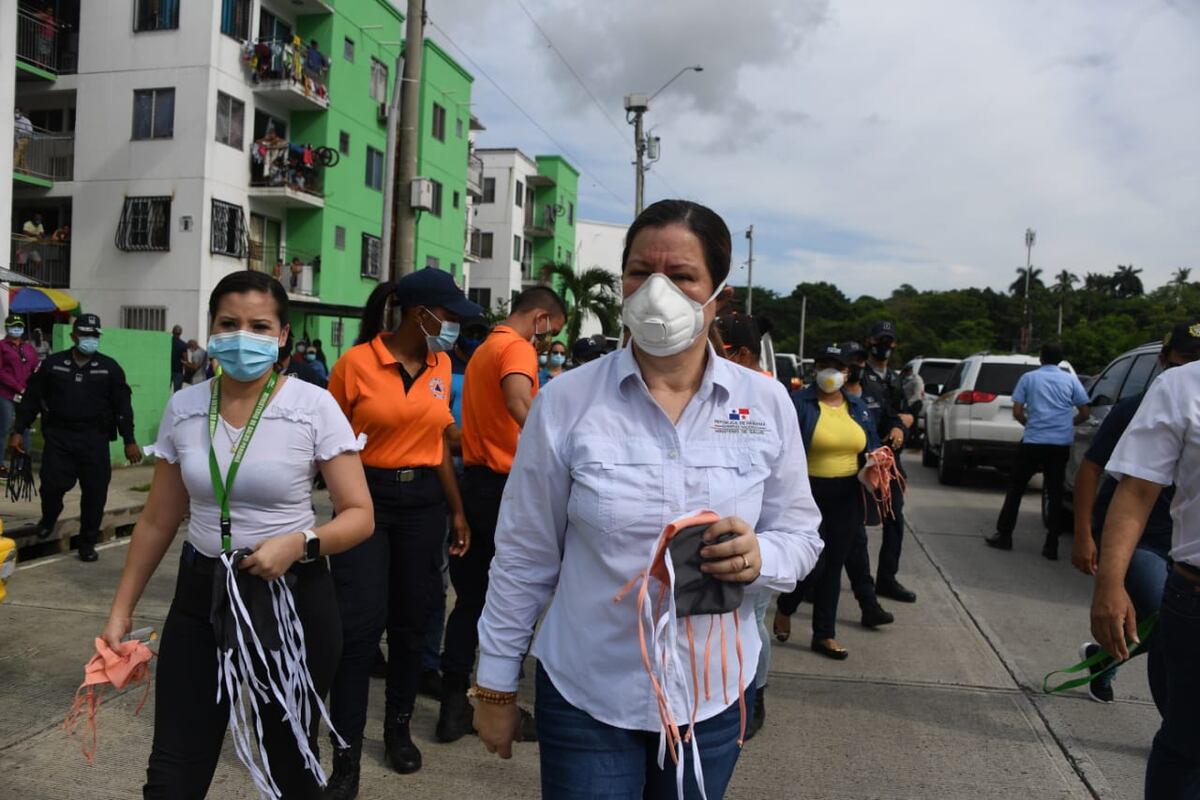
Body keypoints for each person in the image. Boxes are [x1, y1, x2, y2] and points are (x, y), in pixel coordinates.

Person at [473, 200, 822, 798]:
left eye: (682, 275)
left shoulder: (765, 405)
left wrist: (762, 556)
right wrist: (496, 685)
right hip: (589, 693)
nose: (657, 290)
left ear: (718, 295)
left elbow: (801, 533)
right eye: (640, 271)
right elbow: (524, 555)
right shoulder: (567, 403)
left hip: (709, 696)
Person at [98, 270, 374, 798]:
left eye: (258, 325)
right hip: (202, 595)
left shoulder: (313, 406)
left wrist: (300, 544)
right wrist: (120, 610)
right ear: (212, 329)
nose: (242, 336)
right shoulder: (185, 407)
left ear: (283, 335)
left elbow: (360, 514)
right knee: (174, 768)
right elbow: (158, 519)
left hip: (288, 600)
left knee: (289, 764)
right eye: (229, 323)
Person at [324, 268, 480, 793]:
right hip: (364, 497)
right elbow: (331, 442)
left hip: (423, 505)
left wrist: (456, 510)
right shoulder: (356, 364)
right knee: (358, 629)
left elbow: (436, 442)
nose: (455, 325)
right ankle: (344, 757)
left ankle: (397, 729)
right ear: (422, 314)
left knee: (414, 622)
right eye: (451, 315)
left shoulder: (440, 363)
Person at [436, 285, 567, 744]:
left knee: (470, 601)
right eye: (552, 331)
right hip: (507, 490)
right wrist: (558, 456)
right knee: (517, 597)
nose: (549, 343)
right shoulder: (516, 348)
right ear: (540, 318)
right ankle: (498, 704)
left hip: (475, 484)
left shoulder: (485, 348)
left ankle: (453, 706)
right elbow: (518, 402)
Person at [1072, 323, 1200, 707]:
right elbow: (1090, 470)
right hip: (1145, 540)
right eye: (1186, 359)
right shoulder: (1138, 408)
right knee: (1168, 618)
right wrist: (1083, 534)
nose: (1193, 367)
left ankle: (1105, 657)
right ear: (1164, 360)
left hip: (1182, 541)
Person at [1090, 354, 1200, 798]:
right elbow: (1135, 491)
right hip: (1196, 600)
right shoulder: (1182, 386)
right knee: (1188, 749)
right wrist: (1110, 585)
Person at [774, 344, 881, 661]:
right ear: (814, 369)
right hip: (808, 491)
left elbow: (870, 443)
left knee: (834, 565)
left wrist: (878, 459)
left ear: (848, 372)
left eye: (836, 367)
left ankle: (824, 635)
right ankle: (787, 605)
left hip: (848, 492)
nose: (829, 373)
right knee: (814, 564)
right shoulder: (798, 404)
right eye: (823, 365)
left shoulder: (858, 407)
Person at [9, 315, 143, 562]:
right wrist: (19, 429)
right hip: (60, 437)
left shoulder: (109, 368)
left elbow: (123, 407)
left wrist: (129, 440)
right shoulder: (52, 365)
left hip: (95, 439)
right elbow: (32, 399)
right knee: (51, 486)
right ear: (73, 337)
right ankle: (49, 519)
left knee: (95, 493)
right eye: (85, 335)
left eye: (95, 336)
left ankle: (87, 542)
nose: (90, 340)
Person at [986, 342, 1090, 559]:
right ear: (1061, 360)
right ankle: (1051, 545)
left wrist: (1030, 424)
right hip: (1060, 443)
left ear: (1041, 358)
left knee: (1016, 488)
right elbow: (1085, 411)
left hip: (1033, 440)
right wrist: (1068, 424)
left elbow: (1016, 411)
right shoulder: (1071, 380)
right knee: (1055, 492)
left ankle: (1004, 535)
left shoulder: (1029, 378)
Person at [840, 340, 899, 630]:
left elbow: (887, 421)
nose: (856, 369)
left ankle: (869, 604)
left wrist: (898, 428)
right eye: (851, 363)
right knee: (825, 552)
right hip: (823, 486)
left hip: (857, 485)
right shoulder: (822, 398)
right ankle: (792, 602)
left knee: (856, 544)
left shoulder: (872, 395)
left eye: (861, 363)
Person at [861, 320, 917, 603]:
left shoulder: (895, 379)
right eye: (879, 339)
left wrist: (902, 427)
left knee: (895, 518)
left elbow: (903, 415)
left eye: (889, 341)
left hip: (888, 462)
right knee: (849, 524)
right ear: (870, 341)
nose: (884, 346)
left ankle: (887, 578)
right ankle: (816, 580)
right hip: (861, 459)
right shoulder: (859, 374)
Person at [0, 315, 39, 462]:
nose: (17, 329)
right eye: (13, 326)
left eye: (19, 326)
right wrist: (18, 387)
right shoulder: (2, 346)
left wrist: (32, 388)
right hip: (5, 394)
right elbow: (1, 372)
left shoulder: (28, 348)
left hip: (26, 394)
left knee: (24, 428)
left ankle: (22, 463)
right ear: (7, 327)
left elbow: (35, 368)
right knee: (4, 427)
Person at [170, 325, 188, 392]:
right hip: (178, 371)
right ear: (181, 333)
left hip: (166, 370)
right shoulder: (183, 344)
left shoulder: (167, 342)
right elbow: (185, 360)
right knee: (177, 392)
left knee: (164, 390)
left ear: (172, 332)